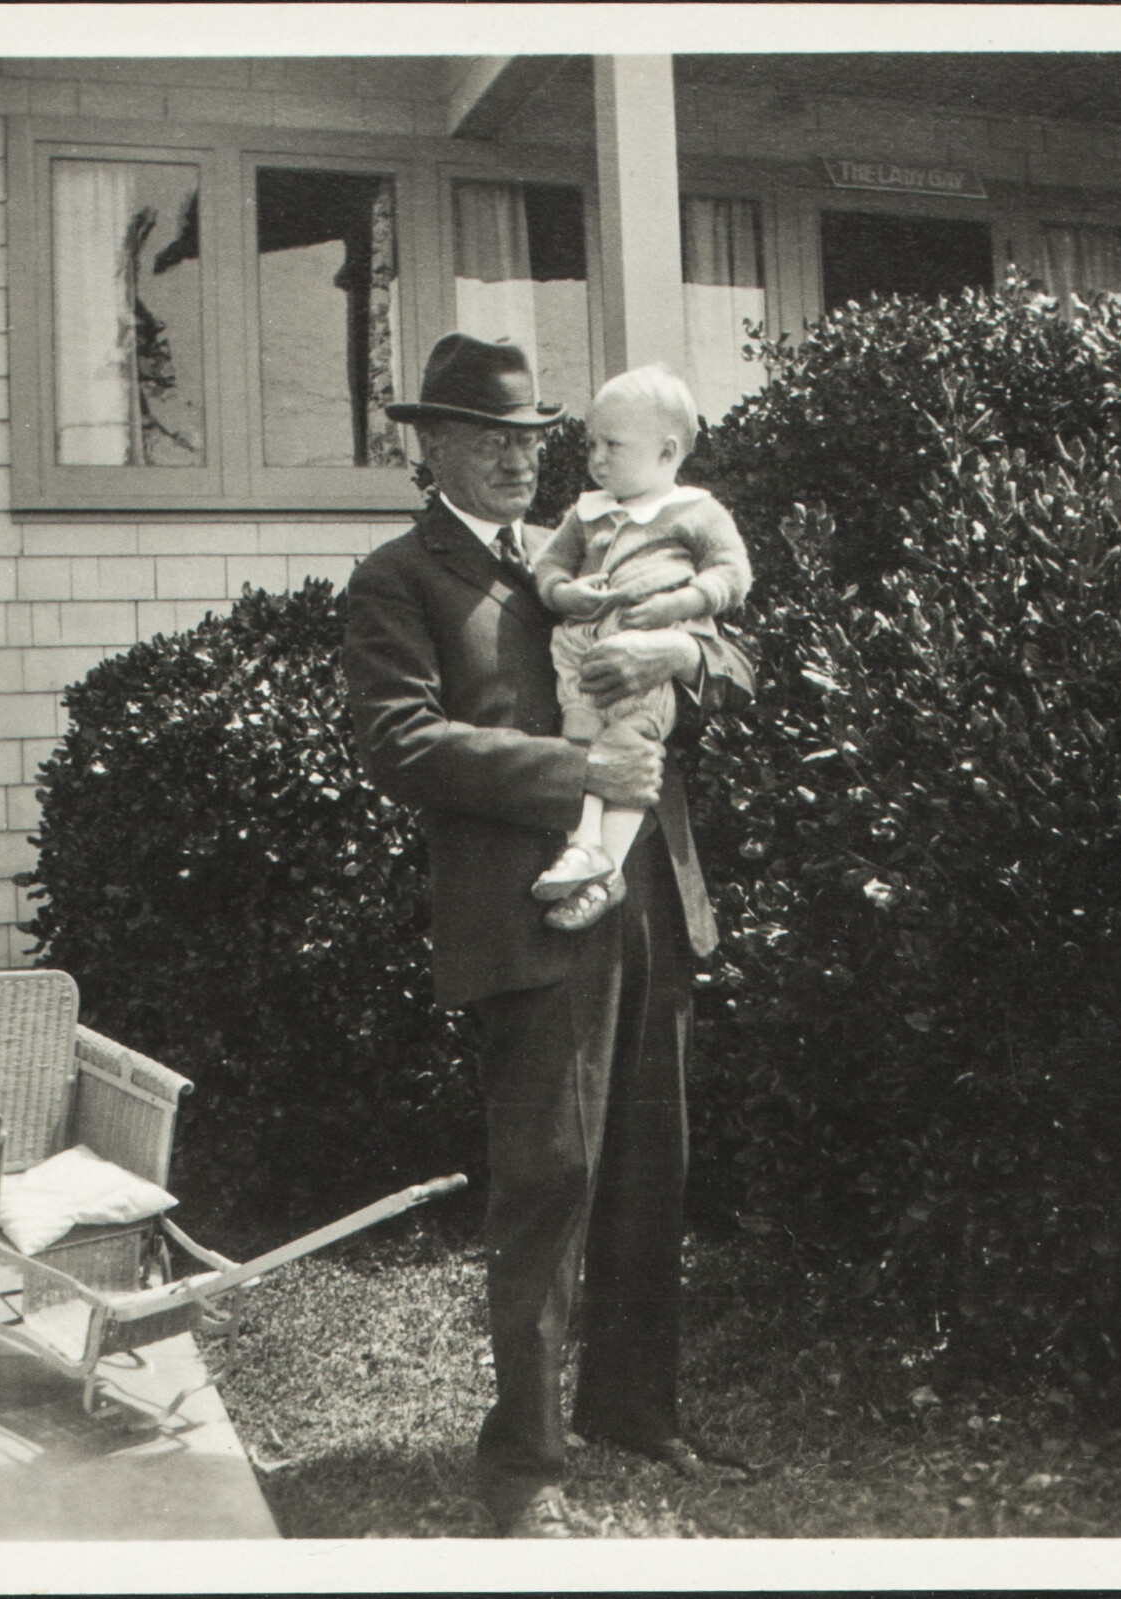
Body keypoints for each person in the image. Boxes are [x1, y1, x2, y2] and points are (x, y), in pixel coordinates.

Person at [343, 333, 754, 1538]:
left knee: (647, 1164)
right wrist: (581, 765)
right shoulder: (399, 577)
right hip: (528, 918)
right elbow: (400, 743)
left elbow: (737, 662)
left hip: (650, 901)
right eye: (486, 438)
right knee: (547, 1180)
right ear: (430, 449)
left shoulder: (610, 528)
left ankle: (633, 1406)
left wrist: (683, 649)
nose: (517, 459)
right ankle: (524, 1465)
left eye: (528, 437)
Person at [529, 364, 752, 932]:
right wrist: (563, 589)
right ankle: (584, 841)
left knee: (629, 747)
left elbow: (732, 574)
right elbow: (550, 562)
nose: (596, 458)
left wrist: (681, 612)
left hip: (648, 662)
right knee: (581, 736)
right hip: (582, 650)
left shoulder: (697, 512)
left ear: (666, 453)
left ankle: (610, 864)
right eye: (591, 444)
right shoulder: (586, 512)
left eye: (612, 445)